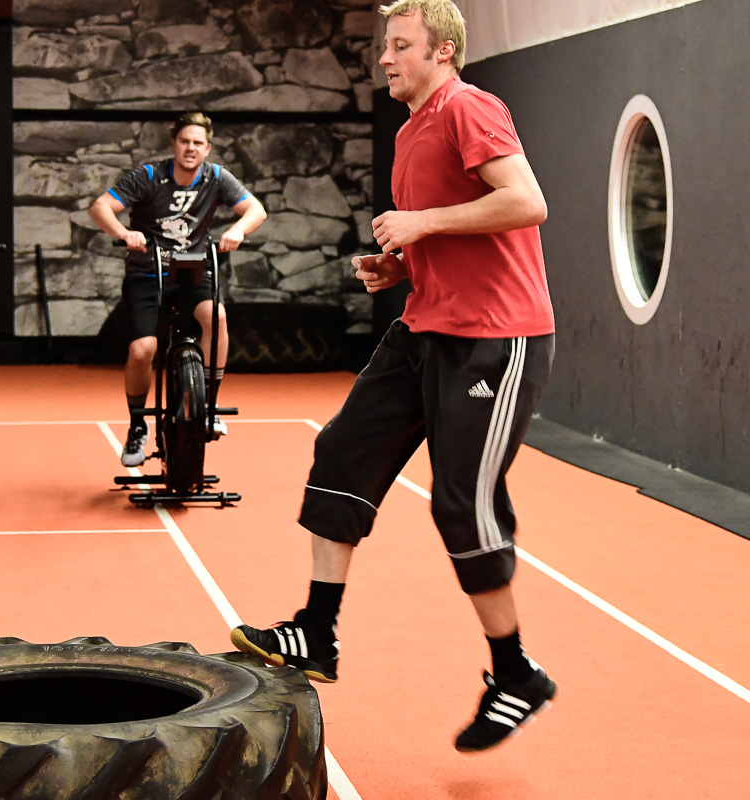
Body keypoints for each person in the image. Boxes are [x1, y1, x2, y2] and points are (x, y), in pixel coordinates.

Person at [229, 0, 557, 753]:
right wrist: (399, 265)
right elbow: (447, 229)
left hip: (495, 339)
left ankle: (515, 673)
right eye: (386, 46)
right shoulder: (411, 131)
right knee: (343, 453)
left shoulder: (470, 106)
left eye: (400, 45)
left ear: (442, 52)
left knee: (459, 505)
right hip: (426, 328)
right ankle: (316, 632)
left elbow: (526, 202)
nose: (385, 58)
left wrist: (423, 223)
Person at [88, 112, 267, 467]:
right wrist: (124, 234)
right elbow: (100, 207)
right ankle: (137, 424)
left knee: (215, 317)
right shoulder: (149, 176)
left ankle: (209, 405)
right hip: (147, 274)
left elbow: (255, 210)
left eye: (198, 142)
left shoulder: (216, 177)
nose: (191, 148)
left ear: (208, 148)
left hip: (193, 272)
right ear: (174, 144)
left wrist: (238, 231)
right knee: (143, 351)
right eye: (185, 141)